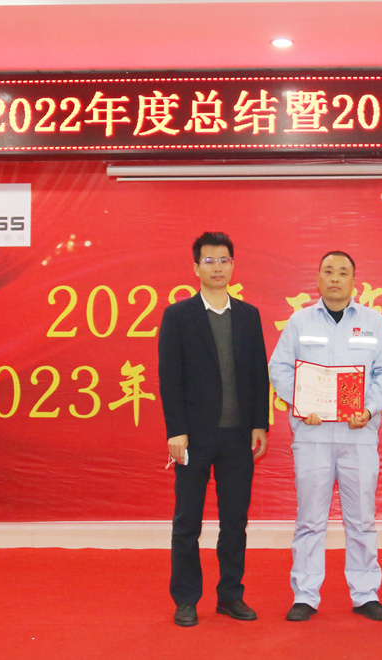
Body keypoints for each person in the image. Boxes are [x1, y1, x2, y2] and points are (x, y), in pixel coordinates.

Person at [269, 251, 382, 622]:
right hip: (312, 433)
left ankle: (365, 593)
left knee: (361, 519)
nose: (336, 278)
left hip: (359, 434)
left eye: (343, 272)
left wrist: (369, 409)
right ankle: (305, 595)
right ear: (318, 278)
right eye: (329, 271)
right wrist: (302, 402)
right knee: (310, 519)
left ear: (354, 281)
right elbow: (279, 368)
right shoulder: (299, 321)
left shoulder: (374, 322)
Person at [158, 231, 269, 628]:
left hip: (238, 437)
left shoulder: (249, 315)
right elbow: (169, 378)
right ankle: (186, 599)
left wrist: (259, 424)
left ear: (233, 266)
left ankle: (230, 595)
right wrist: (176, 431)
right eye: (209, 261)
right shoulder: (178, 315)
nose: (217, 267)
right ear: (196, 268)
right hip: (194, 437)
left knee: (234, 521)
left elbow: (258, 374)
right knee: (187, 521)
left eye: (224, 260)